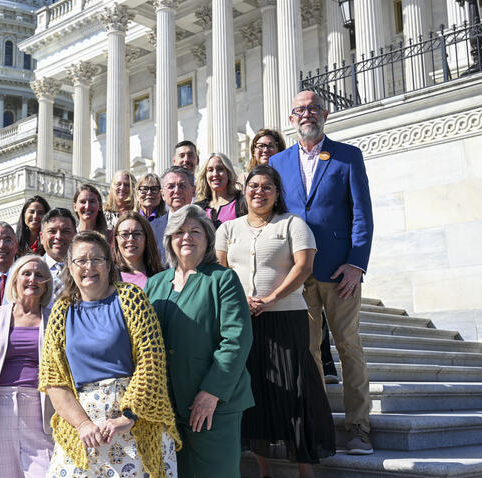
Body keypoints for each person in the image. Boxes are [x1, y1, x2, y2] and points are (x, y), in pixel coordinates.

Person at [269, 90, 374, 455]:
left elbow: (362, 213)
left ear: (325, 114)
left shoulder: (347, 156)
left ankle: (359, 427)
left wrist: (357, 263)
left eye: (314, 108)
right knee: (308, 350)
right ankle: (319, 424)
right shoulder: (278, 162)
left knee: (348, 346)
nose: (307, 114)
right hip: (298, 271)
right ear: (291, 118)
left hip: (340, 271)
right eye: (300, 110)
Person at [215, 165, 335, 478]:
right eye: (254, 186)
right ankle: (264, 469)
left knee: (295, 391)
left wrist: (271, 298)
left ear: (277, 193)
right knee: (255, 391)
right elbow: (221, 272)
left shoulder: (293, 223)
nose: (260, 192)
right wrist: (242, 300)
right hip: (243, 320)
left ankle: (305, 469)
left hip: (286, 318)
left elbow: (304, 266)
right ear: (245, 190)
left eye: (267, 186)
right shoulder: (228, 229)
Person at [39, 231, 180, 478]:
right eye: (81, 260)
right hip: (82, 427)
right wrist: (82, 424)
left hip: (134, 420)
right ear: (70, 266)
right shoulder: (62, 310)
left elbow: (151, 361)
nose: (89, 267)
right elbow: (54, 380)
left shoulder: (131, 299)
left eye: (96, 259)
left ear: (108, 264)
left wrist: (129, 417)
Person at [145, 205, 252, 477]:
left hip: (212, 407)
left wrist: (212, 392)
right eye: (179, 232)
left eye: (195, 231)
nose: (186, 237)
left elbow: (236, 340)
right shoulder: (155, 284)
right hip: (166, 408)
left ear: (207, 238)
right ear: (169, 239)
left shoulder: (223, 279)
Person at [248, 131, 338, 382]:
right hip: (264, 256)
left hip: (297, 249)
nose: (265, 150)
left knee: (314, 315)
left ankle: (326, 362)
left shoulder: (290, 174)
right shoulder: (248, 180)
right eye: (259, 145)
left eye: (271, 145)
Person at [0, 255, 55, 478]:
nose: (32, 279)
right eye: (26, 273)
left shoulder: (55, 319)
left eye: (39, 275)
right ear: (15, 280)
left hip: (41, 411)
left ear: (46, 284)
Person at [151, 166, 195, 262]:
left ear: (193, 191)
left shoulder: (206, 225)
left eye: (182, 186)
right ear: (163, 194)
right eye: (171, 186)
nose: (177, 191)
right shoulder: (152, 228)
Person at [194, 152, 247, 229]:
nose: (215, 174)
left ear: (228, 173)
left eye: (220, 169)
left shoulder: (242, 203)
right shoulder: (198, 208)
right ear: (205, 175)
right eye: (210, 170)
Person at [111, 211, 163, 288]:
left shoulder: (162, 277)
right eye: (124, 234)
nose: (131, 239)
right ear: (116, 240)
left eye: (137, 234)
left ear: (146, 239)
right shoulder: (108, 277)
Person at [40, 208, 77, 301]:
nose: (59, 236)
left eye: (65, 231)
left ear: (75, 235)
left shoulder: (85, 269)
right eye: (52, 231)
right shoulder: (29, 271)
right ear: (41, 237)